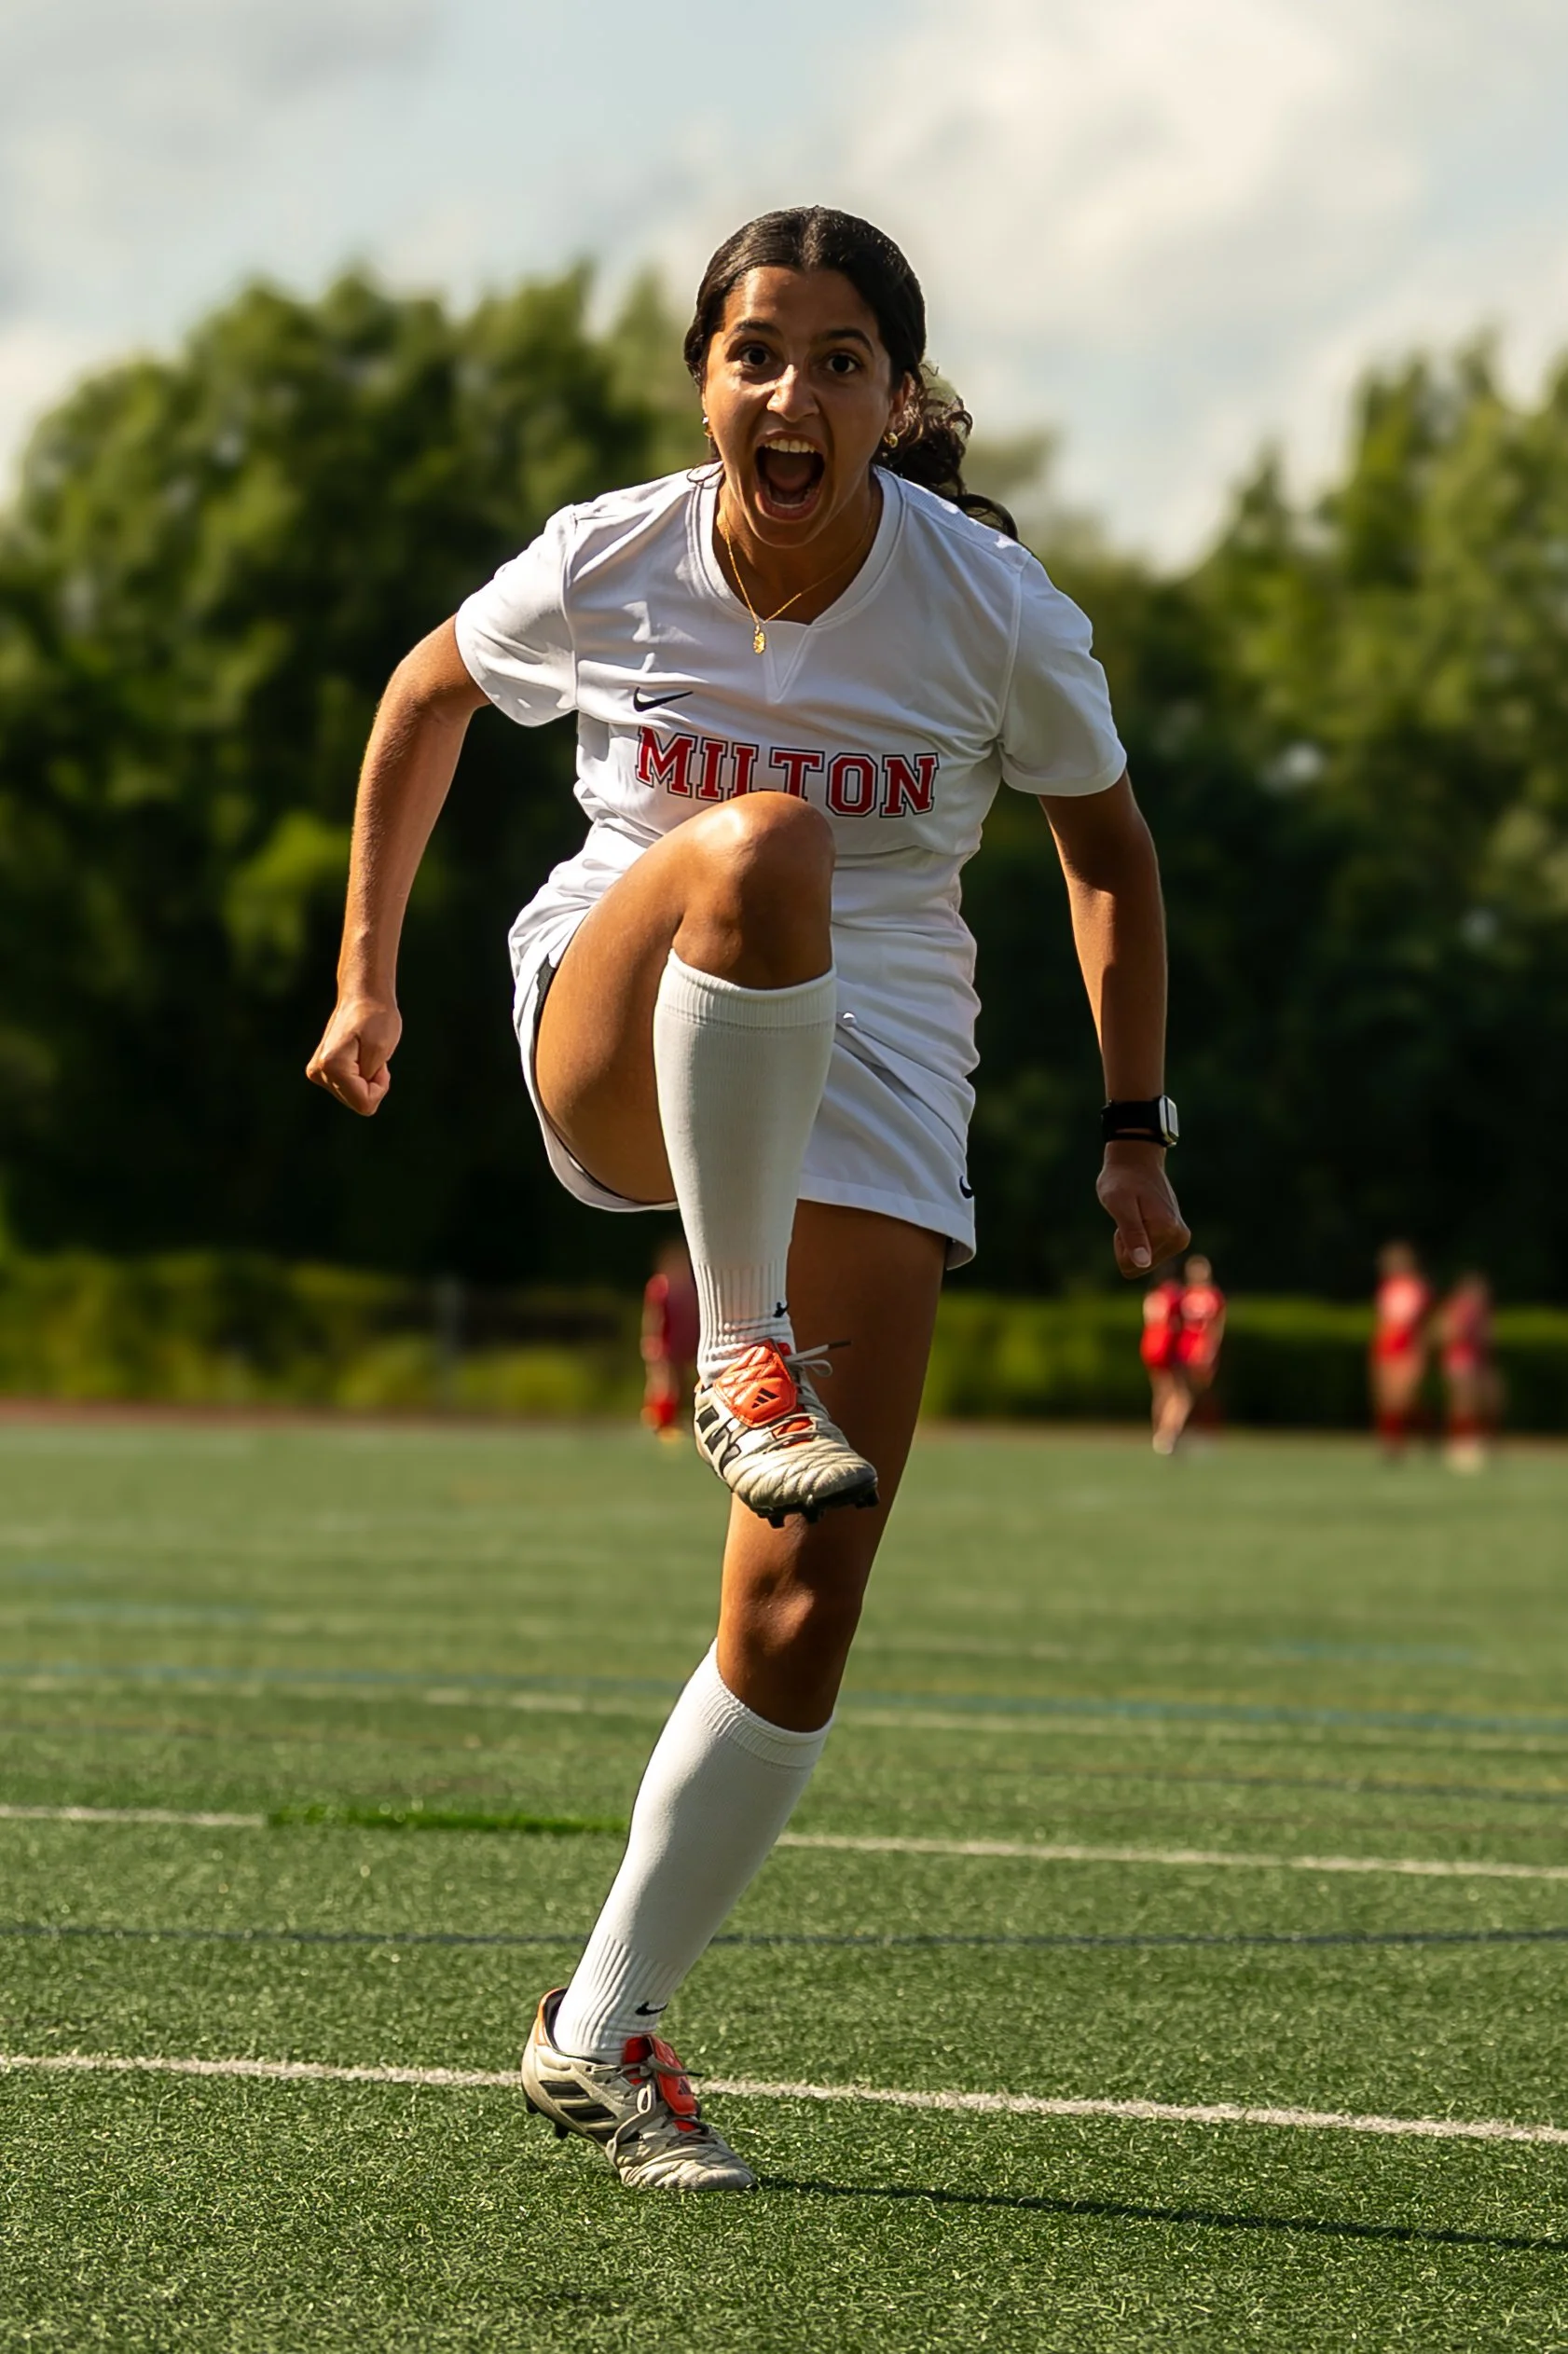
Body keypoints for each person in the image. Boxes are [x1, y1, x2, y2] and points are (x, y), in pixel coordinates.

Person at [307, 206, 1186, 2191]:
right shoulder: (606, 553)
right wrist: (365, 970)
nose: (793, 392)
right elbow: (425, 694)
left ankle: (598, 2024)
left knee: (806, 1592)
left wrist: (1134, 1127)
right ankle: (736, 1343)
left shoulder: (988, 605)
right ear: (705, 376)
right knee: (755, 843)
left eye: (841, 359)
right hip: (620, 1009)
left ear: (893, 397)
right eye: (757, 352)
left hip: (877, 1061)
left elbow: (1110, 851)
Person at [1370, 1241, 1432, 1457]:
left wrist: (1420, 1354)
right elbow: (1384, 1323)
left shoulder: (1417, 1289)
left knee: (1405, 1400)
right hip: (1386, 1349)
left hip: (1408, 1350)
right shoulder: (1386, 1290)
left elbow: (1422, 1326)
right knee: (1386, 1400)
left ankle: (1428, 1435)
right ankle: (1392, 1447)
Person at [1437, 1272, 1499, 1472]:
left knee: (1481, 1400)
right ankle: (1460, 1444)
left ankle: (1474, 1441)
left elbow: (1489, 1337)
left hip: (1478, 1360)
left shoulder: (1481, 1311)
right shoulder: (1457, 1308)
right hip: (1460, 1358)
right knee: (1462, 1401)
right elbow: (1444, 1333)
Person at [641, 1236, 701, 1441]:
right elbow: (654, 1316)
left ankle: (688, 1419)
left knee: (689, 1383)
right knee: (667, 1383)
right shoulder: (660, 1286)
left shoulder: (691, 1287)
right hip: (668, 1343)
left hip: (689, 1341)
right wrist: (651, 1340)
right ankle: (661, 1421)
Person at [1175, 1253, 1227, 1439]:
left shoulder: (1214, 1295)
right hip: (1185, 1347)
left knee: (1202, 1391)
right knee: (1184, 1392)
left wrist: (1211, 1348)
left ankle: (1202, 1428)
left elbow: (1217, 1325)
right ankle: (1178, 1430)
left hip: (1203, 1347)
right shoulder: (1184, 1295)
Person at [1140, 1266, 1186, 1455]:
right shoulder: (1174, 1296)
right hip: (1165, 1346)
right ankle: (1166, 1434)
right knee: (1178, 1395)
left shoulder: (1151, 1297)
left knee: (1159, 1393)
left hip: (1149, 1344)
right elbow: (1178, 1323)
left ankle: (1157, 1432)